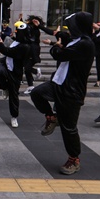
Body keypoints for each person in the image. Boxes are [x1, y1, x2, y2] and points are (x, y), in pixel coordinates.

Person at [30, 12, 95, 175]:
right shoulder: (75, 40)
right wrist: (46, 30)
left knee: (69, 128)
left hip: (72, 91)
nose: (69, 30)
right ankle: (52, 117)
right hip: (58, 83)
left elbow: (59, 54)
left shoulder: (85, 44)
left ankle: (74, 159)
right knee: (37, 93)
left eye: (71, 26)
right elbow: (59, 35)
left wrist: (56, 47)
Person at [0, 21, 31, 128]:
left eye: (18, 31)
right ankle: (5, 87)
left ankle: (14, 117)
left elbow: (7, 51)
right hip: (6, 65)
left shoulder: (24, 46)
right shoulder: (17, 41)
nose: (15, 32)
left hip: (15, 73)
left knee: (14, 95)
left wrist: (1, 44)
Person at [23, 15, 57, 94]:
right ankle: (30, 86)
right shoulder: (34, 28)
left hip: (32, 51)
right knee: (26, 68)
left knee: (27, 68)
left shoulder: (32, 28)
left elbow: (50, 32)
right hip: (31, 50)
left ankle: (36, 72)